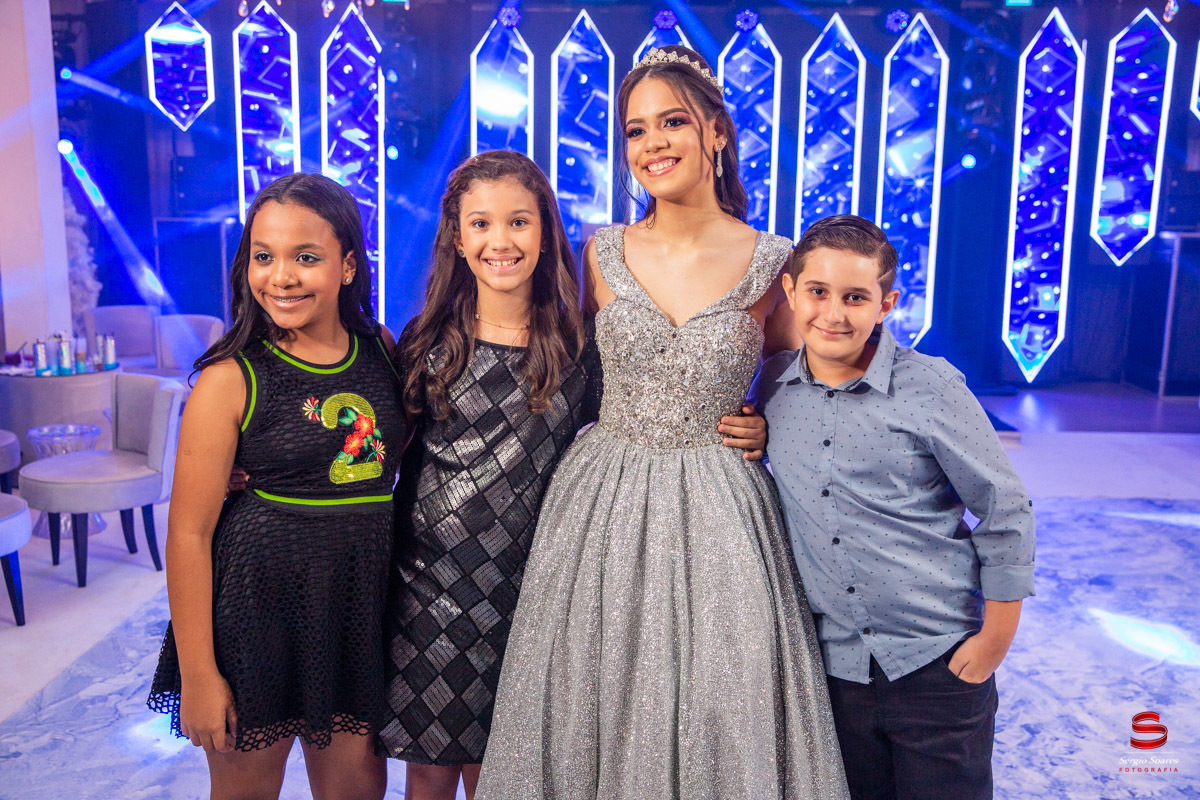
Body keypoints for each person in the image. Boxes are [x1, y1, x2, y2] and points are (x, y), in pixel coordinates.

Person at [476, 47, 849, 800]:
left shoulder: (777, 261)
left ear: (717, 131)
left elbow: (811, 386)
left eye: (672, 121)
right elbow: (540, 352)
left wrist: (770, 425)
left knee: (726, 690)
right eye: (636, 130)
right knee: (591, 691)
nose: (653, 144)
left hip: (722, 503)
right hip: (602, 499)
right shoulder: (599, 252)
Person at [379, 150, 768, 800]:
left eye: (518, 222)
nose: (500, 241)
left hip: (537, 584)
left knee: (511, 768)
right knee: (430, 770)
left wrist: (750, 418)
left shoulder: (577, 347)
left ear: (546, 232)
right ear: (457, 238)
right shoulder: (426, 342)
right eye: (480, 224)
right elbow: (376, 451)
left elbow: (647, 411)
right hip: (430, 587)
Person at [753, 215, 1036, 800]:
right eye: (818, 292)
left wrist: (993, 642)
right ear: (791, 292)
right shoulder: (774, 387)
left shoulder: (930, 387)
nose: (834, 313)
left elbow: (1005, 508)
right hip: (836, 671)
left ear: (886, 304)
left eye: (856, 297)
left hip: (937, 660)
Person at [147, 173, 405, 800]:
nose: (281, 277)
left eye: (305, 257)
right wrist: (200, 675)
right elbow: (188, 534)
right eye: (264, 256)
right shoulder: (230, 378)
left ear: (348, 266)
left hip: (354, 615)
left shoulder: (382, 348)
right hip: (254, 616)